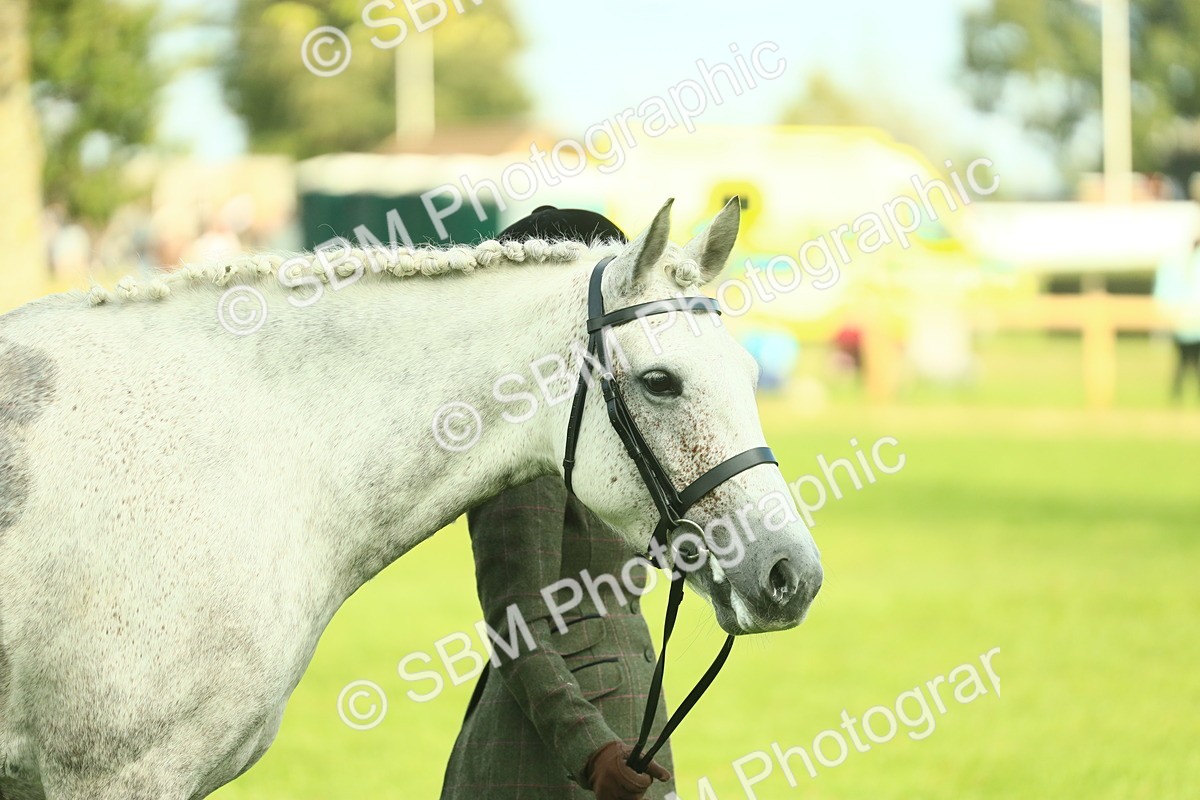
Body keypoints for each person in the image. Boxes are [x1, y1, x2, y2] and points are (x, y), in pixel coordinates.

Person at [440, 207, 675, 800]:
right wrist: (593, 752)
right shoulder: (526, 441)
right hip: (556, 762)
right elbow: (515, 622)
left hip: (630, 736)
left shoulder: (600, 425)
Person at [1153, 235, 1200, 401]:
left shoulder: (1178, 262)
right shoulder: (1180, 263)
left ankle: (1177, 394)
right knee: (1187, 362)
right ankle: (1178, 394)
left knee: (1185, 362)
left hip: (1185, 323)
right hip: (1186, 323)